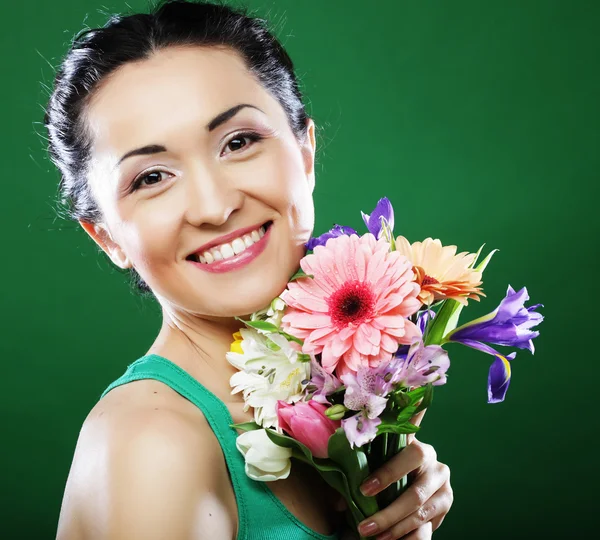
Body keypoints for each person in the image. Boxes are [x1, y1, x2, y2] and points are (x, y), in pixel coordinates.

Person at [45, 1, 453, 538]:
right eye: (152, 177)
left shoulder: (334, 405)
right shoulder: (152, 442)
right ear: (106, 238)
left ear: (305, 153)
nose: (214, 206)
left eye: (238, 142)